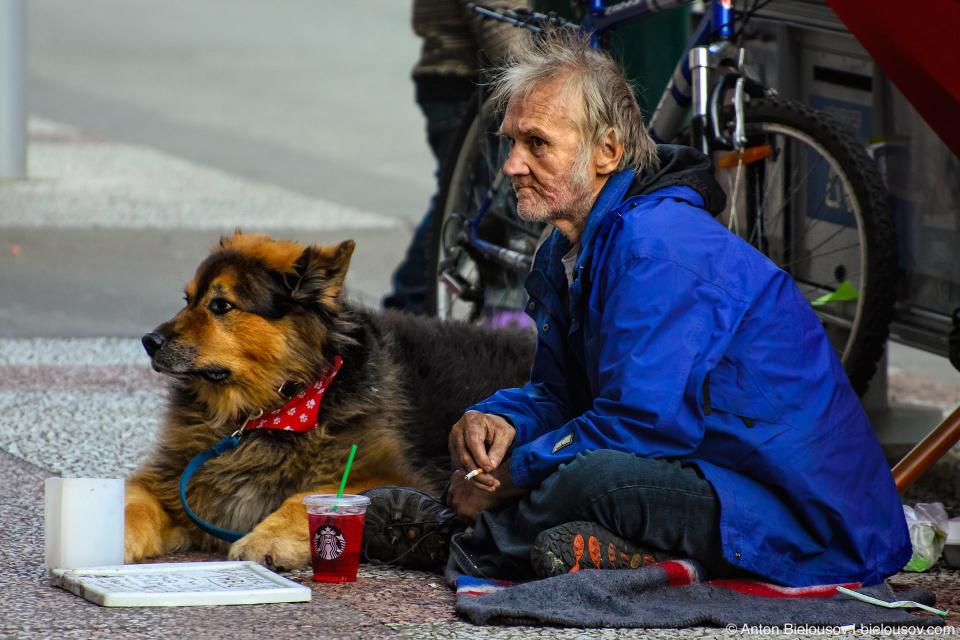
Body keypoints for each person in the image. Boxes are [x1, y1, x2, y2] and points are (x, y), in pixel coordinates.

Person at [363, 27, 911, 587]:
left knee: (597, 479)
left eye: (537, 143)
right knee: (558, 460)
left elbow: (640, 424)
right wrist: (500, 421)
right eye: (511, 142)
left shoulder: (655, 246)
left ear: (608, 151)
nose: (511, 165)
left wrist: (511, 472)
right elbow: (561, 394)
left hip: (805, 518)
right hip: (705, 469)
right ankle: (575, 546)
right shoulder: (569, 246)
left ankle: (460, 543)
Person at [383, 0, 531, 315]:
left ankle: (407, 305)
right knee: (468, 205)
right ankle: (407, 307)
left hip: (467, 80)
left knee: (464, 202)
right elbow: (497, 15)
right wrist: (537, 80)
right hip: (466, 82)